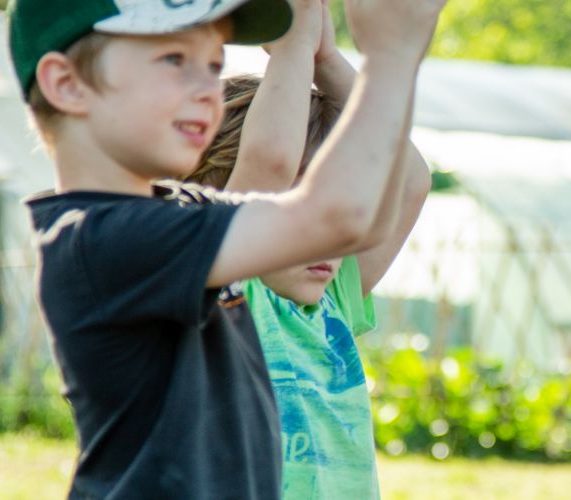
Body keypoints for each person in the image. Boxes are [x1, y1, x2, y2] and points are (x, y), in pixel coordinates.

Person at [7, 0, 444, 496]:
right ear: (66, 83)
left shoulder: (165, 220)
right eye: (174, 60)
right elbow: (297, 188)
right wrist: (389, 55)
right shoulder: (107, 240)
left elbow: (366, 213)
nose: (207, 90)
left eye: (213, 66)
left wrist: (322, 58)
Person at [184, 1, 430, 496]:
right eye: (302, 209)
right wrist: (293, 47)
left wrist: (327, 61)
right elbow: (268, 171)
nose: (327, 234)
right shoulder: (227, 290)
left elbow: (410, 181)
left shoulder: (332, 298)